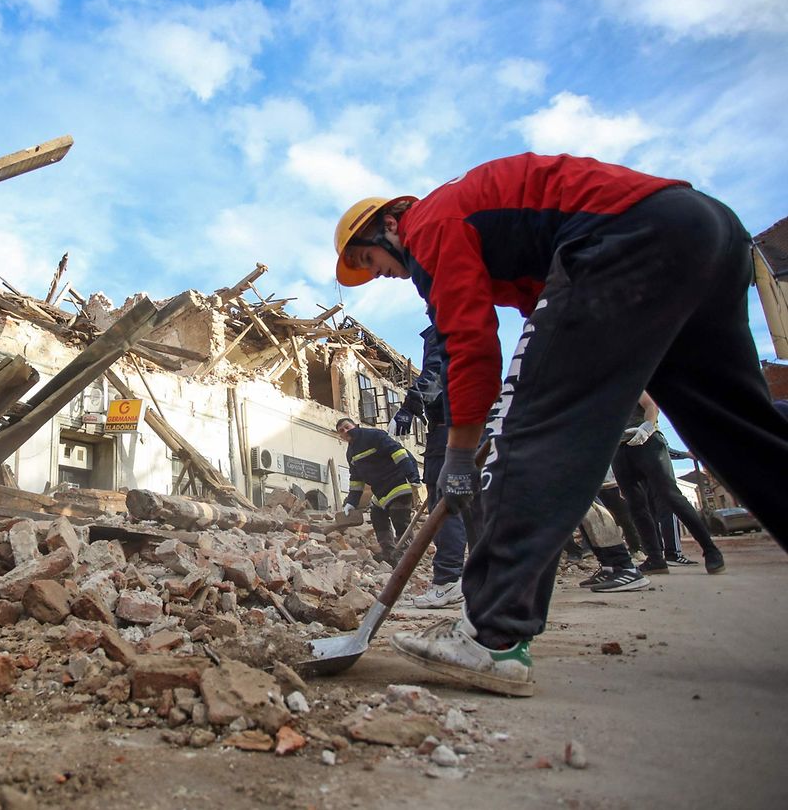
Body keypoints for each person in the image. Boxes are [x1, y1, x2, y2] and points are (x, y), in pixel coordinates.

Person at [333, 153, 788, 697]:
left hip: (626, 237)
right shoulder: (480, 219)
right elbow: (542, 306)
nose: (377, 273)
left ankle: (492, 636)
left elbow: (470, 343)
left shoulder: (429, 224)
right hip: (704, 229)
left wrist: (460, 452)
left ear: (390, 223)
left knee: (528, 434)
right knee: (743, 433)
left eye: (369, 258)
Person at [393, 325, 470, 608]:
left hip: (447, 430)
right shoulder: (474, 321)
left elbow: (436, 371)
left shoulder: (444, 324)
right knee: (471, 504)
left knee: (444, 504)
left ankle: (448, 580)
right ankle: (487, 579)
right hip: (475, 426)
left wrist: (409, 407)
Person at [613, 392, 725, 574]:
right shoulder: (598, 393)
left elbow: (651, 406)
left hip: (647, 442)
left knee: (671, 496)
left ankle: (711, 551)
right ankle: (655, 559)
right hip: (619, 449)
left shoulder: (628, 379)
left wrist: (647, 427)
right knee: (635, 505)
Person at [335, 417, 423, 565]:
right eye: (341, 431)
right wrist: (351, 502)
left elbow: (398, 452)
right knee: (377, 515)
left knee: (399, 517)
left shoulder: (374, 435)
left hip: (398, 482)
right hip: (380, 491)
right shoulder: (351, 452)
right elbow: (356, 479)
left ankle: (405, 555)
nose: (345, 431)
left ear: (355, 425)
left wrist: (412, 475)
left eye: (347, 427)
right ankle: (389, 553)